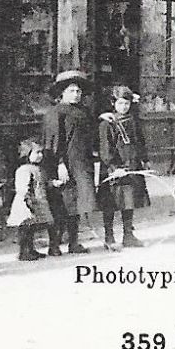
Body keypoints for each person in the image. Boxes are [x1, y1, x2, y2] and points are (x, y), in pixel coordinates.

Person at [41, 70, 98, 255]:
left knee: (77, 204)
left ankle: (74, 242)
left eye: (78, 91)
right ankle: (54, 244)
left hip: (81, 163)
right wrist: (59, 165)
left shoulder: (83, 111)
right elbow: (53, 141)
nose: (76, 94)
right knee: (60, 203)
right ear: (62, 93)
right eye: (72, 90)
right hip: (63, 164)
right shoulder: (55, 113)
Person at [97, 85, 150, 249]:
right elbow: (105, 149)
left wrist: (144, 160)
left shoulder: (133, 121)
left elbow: (139, 142)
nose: (124, 107)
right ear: (113, 103)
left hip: (131, 164)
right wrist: (113, 167)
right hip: (115, 168)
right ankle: (109, 237)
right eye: (120, 103)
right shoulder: (107, 124)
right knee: (111, 203)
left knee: (129, 201)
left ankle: (128, 235)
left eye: (126, 103)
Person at [6, 138, 54, 260]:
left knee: (32, 228)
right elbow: (22, 187)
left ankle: (31, 249)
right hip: (27, 203)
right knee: (25, 228)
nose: (40, 155)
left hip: (37, 201)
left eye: (41, 152)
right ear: (27, 153)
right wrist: (27, 199)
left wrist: (53, 183)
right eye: (37, 152)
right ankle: (24, 251)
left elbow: (43, 183)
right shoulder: (24, 170)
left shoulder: (39, 169)